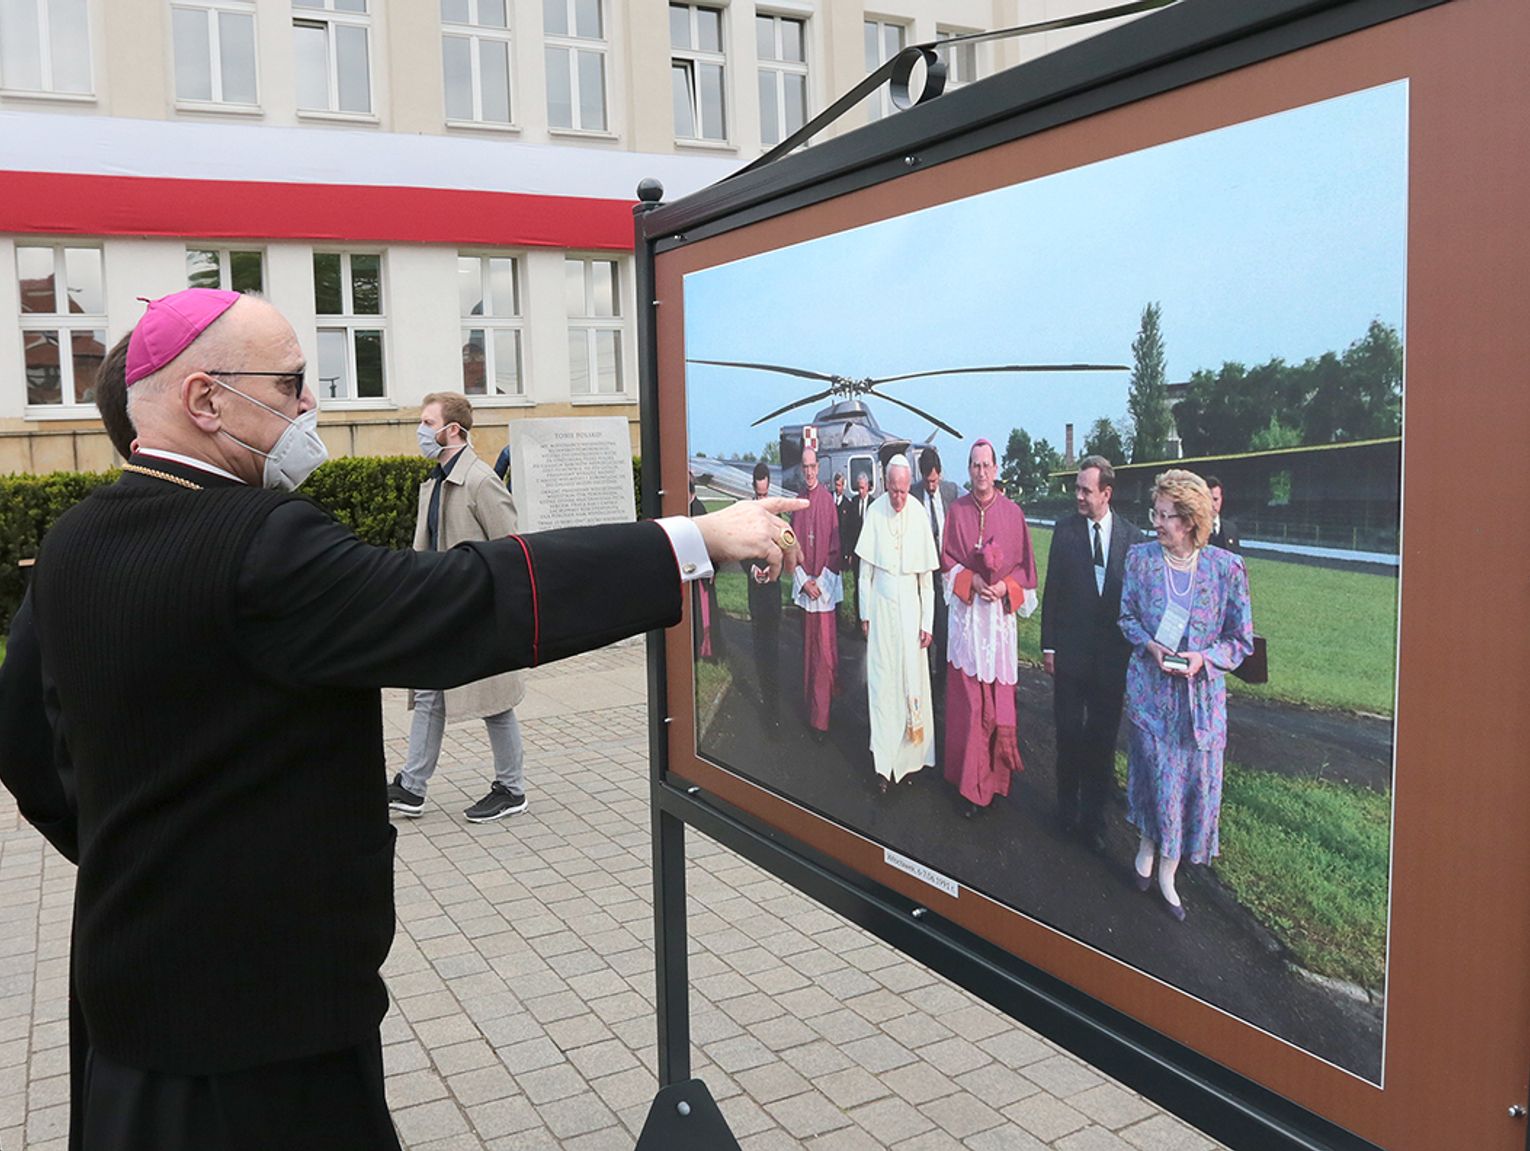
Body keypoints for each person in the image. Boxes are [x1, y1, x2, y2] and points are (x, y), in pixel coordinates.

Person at [19, 288, 800, 1150]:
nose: (309, 403)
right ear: (205, 399)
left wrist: (145, 854)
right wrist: (689, 541)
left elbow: (28, 748)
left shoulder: (72, 540)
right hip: (260, 1034)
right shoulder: (258, 543)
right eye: (287, 383)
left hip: (126, 1006)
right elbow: (462, 600)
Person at [387, 392, 530, 823]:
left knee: (494, 701)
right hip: (442, 611)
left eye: (428, 423)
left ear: (453, 430)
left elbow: (511, 549)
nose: (421, 431)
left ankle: (512, 788)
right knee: (431, 692)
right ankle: (412, 787)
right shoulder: (434, 482)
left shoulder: (481, 482)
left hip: (478, 613)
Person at [1119, 469, 1254, 922]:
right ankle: (1146, 846)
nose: (1156, 523)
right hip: (1151, 698)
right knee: (1156, 778)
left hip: (1199, 707)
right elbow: (1127, 618)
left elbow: (1241, 640)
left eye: (1166, 516)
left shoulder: (1225, 569)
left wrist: (1205, 659)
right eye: (1155, 513)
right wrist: (1150, 645)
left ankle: (1169, 873)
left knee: (1187, 787)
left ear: (1191, 521)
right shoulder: (1139, 560)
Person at [1040, 456, 1146, 852]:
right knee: (1068, 735)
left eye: (1086, 489)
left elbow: (1137, 604)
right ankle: (1066, 811)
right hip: (1069, 656)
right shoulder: (1065, 531)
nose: (1078, 496)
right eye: (1078, 488)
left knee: (1101, 742)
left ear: (1107, 493)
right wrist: (1048, 646)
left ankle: (1094, 820)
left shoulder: (1133, 539)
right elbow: (1052, 593)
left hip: (1111, 664)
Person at [941, 439, 1038, 818]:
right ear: (969, 470)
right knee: (969, 705)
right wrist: (971, 581)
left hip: (997, 622)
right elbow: (946, 563)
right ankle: (970, 787)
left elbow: (1027, 576)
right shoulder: (957, 511)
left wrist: (1004, 587)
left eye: (986, 466)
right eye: (975, 466)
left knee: (996, 705)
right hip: (968, 621)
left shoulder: (1014, 514)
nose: (981, 472)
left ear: (996, 470)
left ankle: (994, 782)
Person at [855, 456, 938, 793]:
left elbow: (927, 581)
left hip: (911, 613)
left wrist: (927, 622)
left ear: (909, 485)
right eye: (893, 490)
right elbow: (865, 574)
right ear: (885, 484)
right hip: (882, 608)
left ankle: (909, 761)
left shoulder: (918, 512)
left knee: (911, 684)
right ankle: (883, 764)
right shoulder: (875, 511)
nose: (898, 498)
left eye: (904, 491)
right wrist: (864, 614)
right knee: (882, 684)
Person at [789, 446, 841, 741]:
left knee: (823, 655)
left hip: (822, 591)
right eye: (804, 467)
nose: (809, 472)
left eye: (812, 466)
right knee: (809, 654)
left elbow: (835, 547)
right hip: (806, 589)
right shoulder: (797, 503)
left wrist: (817, 582)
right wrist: (802, 580)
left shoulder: (828, 503)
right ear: (801, 469)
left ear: (818, 468)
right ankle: (812, 710)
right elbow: (791, 545)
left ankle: (821, 719)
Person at [913, 447, 958, 685]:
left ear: (939, 474)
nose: (931, 486)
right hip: (923, 574)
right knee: (923, 626)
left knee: (944, 629)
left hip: (945, 574)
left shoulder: (951, 492)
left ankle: (942, 679)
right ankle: (923, 679)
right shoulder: (913, 494)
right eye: (927, 481)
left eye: (933, 480)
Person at [745, 461, 783, 733]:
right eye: (758, 495)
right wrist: (753, 569)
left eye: (765, 494)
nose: (762, 498)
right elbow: (743, 549)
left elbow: (787, 542)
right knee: (760, 653)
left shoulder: (778, 513)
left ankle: (774, 708)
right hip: (756, 594)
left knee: (774, 653)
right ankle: (767, 709)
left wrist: (774, 567)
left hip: (773, 592)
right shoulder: (746, 514)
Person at [688, 478, 719, 658]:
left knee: (704, 612)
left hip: (703, 569)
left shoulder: (698, 511)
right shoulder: (695, 509)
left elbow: (709, 543)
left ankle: (705, 647)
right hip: (699, 568)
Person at [842, 471, 871, 623]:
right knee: (858, 586)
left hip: (871, 554)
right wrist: (849, 552)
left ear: (868, 487)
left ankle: (871, 621)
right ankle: (859, 622)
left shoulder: (873, 504)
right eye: (858, 488)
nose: (861, 491)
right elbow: (849, 530)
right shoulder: (854, 503)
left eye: (863, 488)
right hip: (857, 552)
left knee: (870, 588)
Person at [1205, 474, 1240, 553]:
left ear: (1221, 499)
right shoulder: (1193, 529)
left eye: (1215, 499)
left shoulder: (1231, 529)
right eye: (1208, 499)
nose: (1212, 504)